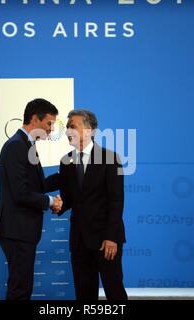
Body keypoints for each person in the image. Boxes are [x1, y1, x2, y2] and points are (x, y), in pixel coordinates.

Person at [0, 98, 63, 300]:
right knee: (20, 289)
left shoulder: (27, 145)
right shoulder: (17, 146)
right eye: (49, 123)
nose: (51, 129)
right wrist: (51, 202)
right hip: (16, 231)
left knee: (21, 286)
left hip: (20, 231)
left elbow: (38, 186)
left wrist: (67, 175)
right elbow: (20, 193)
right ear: (35, 119)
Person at [55, 109, 128, 300]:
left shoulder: (112, 159)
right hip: (79, 241)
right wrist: (54, 204)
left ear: (90, 130)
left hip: (106, 241)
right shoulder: (66, 161)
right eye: (68, 127)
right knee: (84, 295)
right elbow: (69, 199)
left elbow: (116, 201)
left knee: (115, 292)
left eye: (73, 126)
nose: (68, 130)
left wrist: (111, 237)